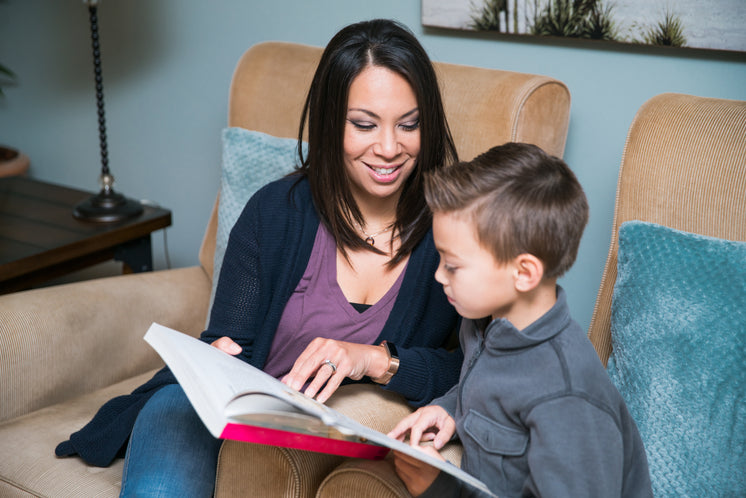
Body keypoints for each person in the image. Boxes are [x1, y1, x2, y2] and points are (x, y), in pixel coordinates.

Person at [55, 19, 464, 497]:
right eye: (364, 125)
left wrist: (377, 361)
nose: (390, 148)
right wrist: (215, 355)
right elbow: (229, 339)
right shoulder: (276, 211)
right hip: (214, 409)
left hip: (311, 435)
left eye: (409, 124)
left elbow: (475, 369)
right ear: (332, 123)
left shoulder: (453, 233)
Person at [388, 143, 653, 497]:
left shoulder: (566, 397)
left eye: (451, 265)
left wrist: (443, 491)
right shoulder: (484, 323)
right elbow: (488, 390)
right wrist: (451, 410)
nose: (438, 275)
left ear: (524, 272)